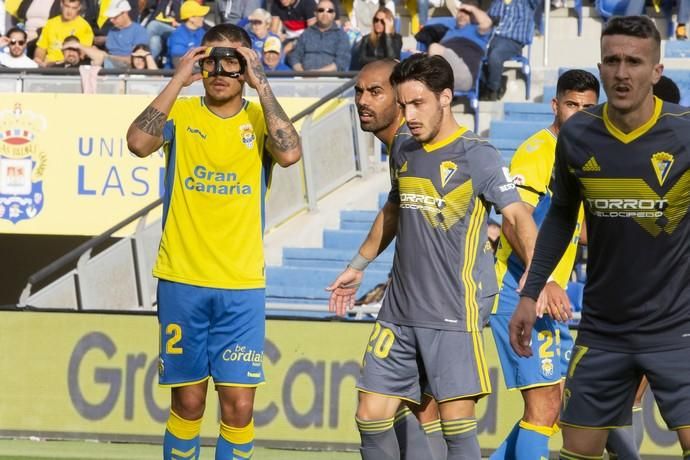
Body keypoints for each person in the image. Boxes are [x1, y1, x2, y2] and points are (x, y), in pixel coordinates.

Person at [327, 54, 538, 460]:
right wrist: (358, 265)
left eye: (417, 104)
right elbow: (394, 207)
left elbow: (515, 215)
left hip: (454, 311)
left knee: (457, 428)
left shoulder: (478, 154)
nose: (408, 115)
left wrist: (538, 274)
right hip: (399, 310)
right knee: (370, 416)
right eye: (403, 105)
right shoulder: (403, 148)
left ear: (445, 97)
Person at [510, 15, 690, 459]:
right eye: (612, 61)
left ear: (656, 71)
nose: (622, 72)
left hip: (677, 330)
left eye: (634, 61)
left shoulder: (685, 132)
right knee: (578, 451)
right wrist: (532, 292)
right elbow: (559, 220)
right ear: (601, 64)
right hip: (603, 330)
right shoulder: (577, 133)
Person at [126, 23, 301, 460]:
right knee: (187, 402)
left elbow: (291, 153)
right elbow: (136, 142)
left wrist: (261, 82)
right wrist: (176, 79)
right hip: (182, 280)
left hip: (241, 286)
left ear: (247, 67)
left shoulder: (260, 118)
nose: (221, 71)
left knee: (239, 408)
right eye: (211, 61)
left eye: (233, 62)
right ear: (199, 64)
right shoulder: (182, 115)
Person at [490, 69, 600, 460]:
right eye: (572, 104)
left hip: (541, 294)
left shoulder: (581, 155)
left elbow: (577, 228)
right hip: (519, 291)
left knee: (549, 410)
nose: (580, 113)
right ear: (556, 105)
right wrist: (548, 279)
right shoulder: (539, 151)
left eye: (588, 107)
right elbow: (513, 219)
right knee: (545, 409)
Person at [428, 0, 492, 92]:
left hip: (464, 74)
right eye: (460, 12)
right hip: (444, 71)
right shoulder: (450, 32)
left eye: (467, 13)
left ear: (473, 16)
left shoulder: (477, 31)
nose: (462, 14)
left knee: (434, 47)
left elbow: (487, 22)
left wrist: (471, 8)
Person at [481, 0, 537, 101]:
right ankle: (495, 82)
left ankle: (493, 89)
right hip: (492, 39)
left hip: (512, 42)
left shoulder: (527, 3)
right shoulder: (497, 3)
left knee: (495, 55)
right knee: (472, 53)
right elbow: (486, 20)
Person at [288, 0, 350, 71]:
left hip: (330, 79)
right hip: (304, 78)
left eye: (329, 11)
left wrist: (317, 73)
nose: (325, 14)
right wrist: (302, 73)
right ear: (315, 14)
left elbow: (342, 62)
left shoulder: (341, 36)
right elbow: (295, 57)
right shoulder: (306, 34)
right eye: (321, 10)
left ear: (334, 15)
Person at [33, 0, 94, 67]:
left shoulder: (84, 27)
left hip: (68, 66)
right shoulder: (50, 23)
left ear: (79, 8)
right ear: (61, 4)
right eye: (67, 6)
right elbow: (41, 48)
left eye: (74, 8)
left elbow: (82, 55)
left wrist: (57, 63)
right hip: (48, 66)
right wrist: (39, 60)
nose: (69, 11)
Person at [103, 0, 150, 69]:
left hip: (129, 69)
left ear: (125, 13)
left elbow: (137, 60)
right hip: (110, 65)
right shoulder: (112, 31)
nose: (111, 20)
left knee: (107, 61)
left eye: (115, 17)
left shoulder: (139, 32)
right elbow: (109, 51)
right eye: (110, 18)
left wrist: (108, 57)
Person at [167, 0, 208, 68]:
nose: (203, 18)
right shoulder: (178, 35)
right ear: (191, 18)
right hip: (177, 75)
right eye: (200, 16)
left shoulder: (202, 32)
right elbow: (178, 62)